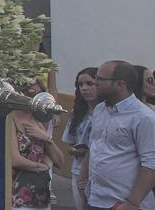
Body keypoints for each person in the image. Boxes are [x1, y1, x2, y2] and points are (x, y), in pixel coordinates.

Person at [82, 60, 155, 210]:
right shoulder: (100, 109)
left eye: (100, 79)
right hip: (95, 198)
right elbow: (94, 147)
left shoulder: (144, 117)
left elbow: (150, 163)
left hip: (124, 202)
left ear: (120, 84)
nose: (95, 83)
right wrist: (82, 181)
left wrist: (132, 203)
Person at [10, 81, 63, 209]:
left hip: (40, 193)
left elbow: (59, 162)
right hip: (18, 194)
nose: (35, 97)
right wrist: (40, 166)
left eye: (40, 93)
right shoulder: (10, 119)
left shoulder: (39, 121)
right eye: (31, 92)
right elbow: (15, 160)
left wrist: (46, 138)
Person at [64, 68, 100, 210]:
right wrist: (75, 150)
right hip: (78, 171)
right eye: (80, 85)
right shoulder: (77, 114)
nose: (84, 88)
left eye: (90, 83)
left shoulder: (108, 113)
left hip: (99, 173)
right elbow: (69, 144)